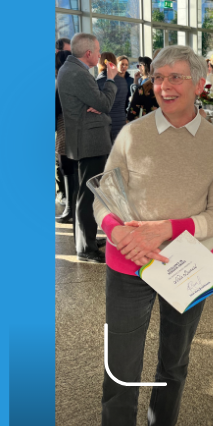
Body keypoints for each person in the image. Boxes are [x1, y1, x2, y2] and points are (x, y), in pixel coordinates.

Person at [95, 45, 213, 426]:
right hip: (129, 263)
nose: (164, 86)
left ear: (200, 84)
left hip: (188, 266)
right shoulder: (131, 134)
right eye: (158, 77)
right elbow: (102, 199)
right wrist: (118, 232)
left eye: (176, 77)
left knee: (174, 362)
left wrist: (168, 228)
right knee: (121, 367)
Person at [56, 33, 118, 262]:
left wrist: (98, 103)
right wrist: (110, 80)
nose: (101, 54)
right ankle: (85, 248)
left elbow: (98, 104)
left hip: (85, 139)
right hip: (88, 142)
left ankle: (87, 239)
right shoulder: (77, 73)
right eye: (99, 50)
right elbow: (103, 103)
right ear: (89, 53)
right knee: (87, 194)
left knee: (85, 193)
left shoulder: (72, 69)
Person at [56, 47, 74, 223]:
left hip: (66, 132)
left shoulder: (60, 81)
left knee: (67, 169)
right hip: (78, 133)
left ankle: (70, 210)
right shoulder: (78, 79)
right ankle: (72, 209)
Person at [98, 53, 133, 142]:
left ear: (100, 63)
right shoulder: (123, 81)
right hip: (121, 121)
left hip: (106, 124)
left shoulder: (99, 81)